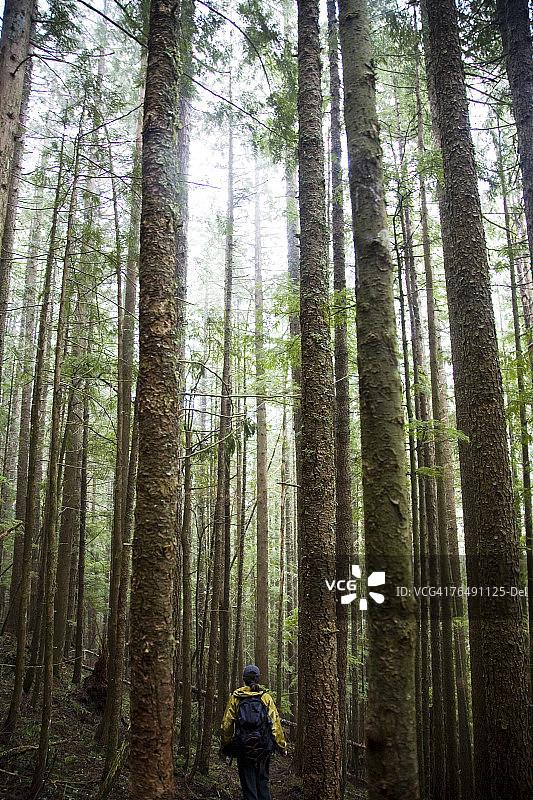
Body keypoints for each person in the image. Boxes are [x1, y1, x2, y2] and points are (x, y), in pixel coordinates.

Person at [220, 664, 287, 800]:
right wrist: (282, 746)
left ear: (244, 679)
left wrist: (226, 745)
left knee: (248, 785)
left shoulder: (236, 697)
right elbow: (275, 724)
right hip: (263, 747)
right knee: (263, 782)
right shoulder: (265, 698)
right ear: (258, 679)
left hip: (243, 747)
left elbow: (226, 724)